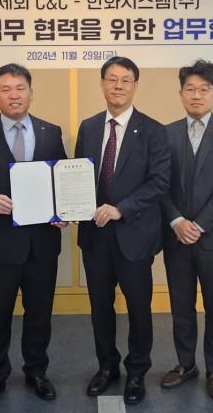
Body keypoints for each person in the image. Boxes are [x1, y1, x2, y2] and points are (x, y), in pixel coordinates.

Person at [0, 63, 67, 411]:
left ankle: (37, 372)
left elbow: (63, 178)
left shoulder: (51, 132)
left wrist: (63, 209)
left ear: (31, 93)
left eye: (20, 88)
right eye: (5, 89)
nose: (14, 95)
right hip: (0, 245)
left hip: (42, 245)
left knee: (39, 315)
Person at [74, 56, 170, 405]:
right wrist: (68, 207)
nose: (118, 86)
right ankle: (107, 366)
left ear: (135, 86)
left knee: (138, 308)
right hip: (95, 235)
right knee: (100, 306)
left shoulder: (154, 130)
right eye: (112, 79)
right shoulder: (88, 127)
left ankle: (137, 371)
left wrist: (121, 208)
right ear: (102, 83)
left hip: (135, 235)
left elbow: (159, 182)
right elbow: (76, 175)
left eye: (125, 80)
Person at [159, 59, 213, 400]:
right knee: (181, 304)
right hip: (176, 235)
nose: (196, 95)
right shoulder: (165, 133)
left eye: (204, 89)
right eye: (190, 89)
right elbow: (159, 184)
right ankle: (185, 364)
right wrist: (177, 221)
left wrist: (199, 224)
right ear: (180, 93)